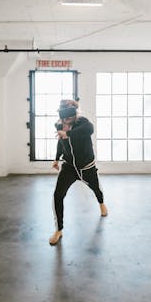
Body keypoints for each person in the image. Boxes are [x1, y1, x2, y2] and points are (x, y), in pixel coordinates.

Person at [49, 99, 108, 245]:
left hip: (87, 166)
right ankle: (58, 230)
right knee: (58, 195)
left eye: (70, 112)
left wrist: (68, 134)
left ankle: (101, 203)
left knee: (97, 189)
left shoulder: (82, 123)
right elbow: (60, 142)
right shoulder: (58, 124)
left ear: (75, 112)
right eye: (64, 112)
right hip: (68, 167)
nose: (67, 117)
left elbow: (90, 129)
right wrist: (56, 159)